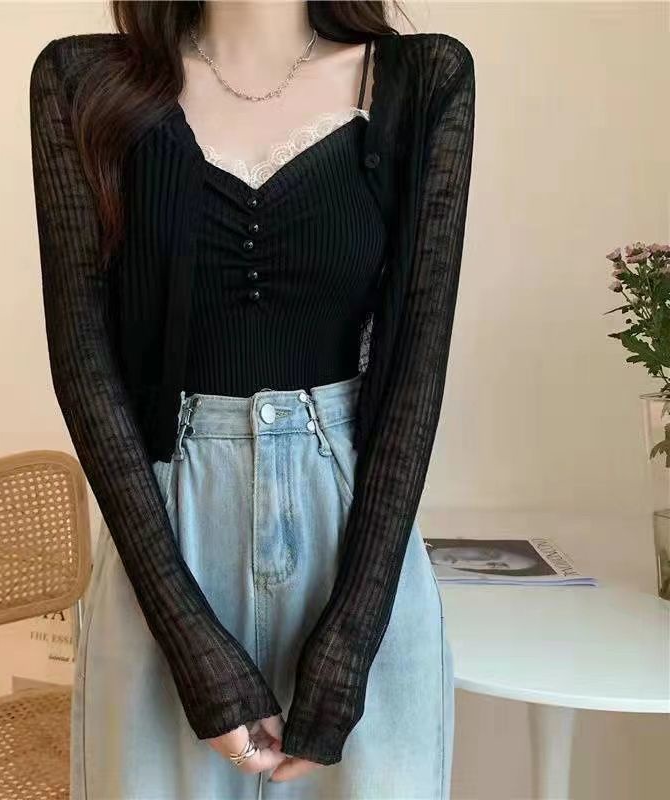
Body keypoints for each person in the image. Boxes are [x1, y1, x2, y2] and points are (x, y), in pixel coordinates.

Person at [29, 1, 475, 797]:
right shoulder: (81, 80)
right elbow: (84, 366)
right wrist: (188, 640)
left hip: (356, 542)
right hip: (164, 536)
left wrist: (349, 644)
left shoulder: (424, 80)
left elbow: (415, 370)